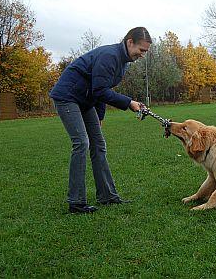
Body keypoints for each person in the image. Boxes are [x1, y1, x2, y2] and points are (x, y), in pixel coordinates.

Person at [50, 27, 152, 214]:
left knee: (98, 144)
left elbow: (103, 90)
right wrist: (129, 102)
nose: (143, 55)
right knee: (81, 143)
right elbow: (100, 91)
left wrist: (100, 117)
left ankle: (107, 196)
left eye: (145, 51)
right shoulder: (110, 56)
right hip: (67, 96)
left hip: (85, 99)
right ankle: (76, 202)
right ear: (130, 42)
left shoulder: (122, 61)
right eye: (142, 50)